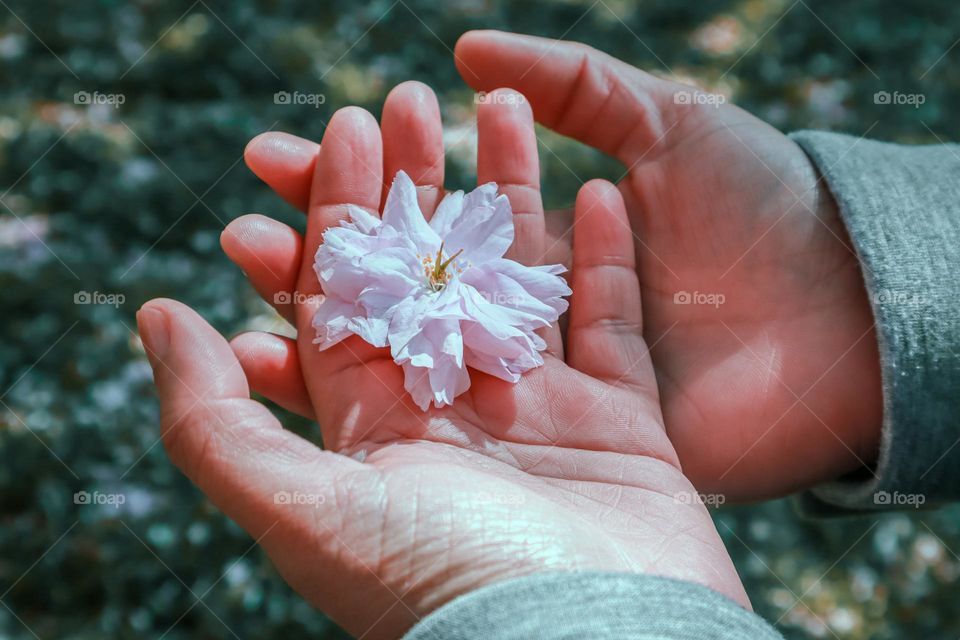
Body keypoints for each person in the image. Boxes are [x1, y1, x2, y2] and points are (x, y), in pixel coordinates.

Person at [137, 30, 960, 639]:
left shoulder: (476, 281)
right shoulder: (406, 272)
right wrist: (867, 293)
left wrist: (854, 279)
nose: (438, 272)